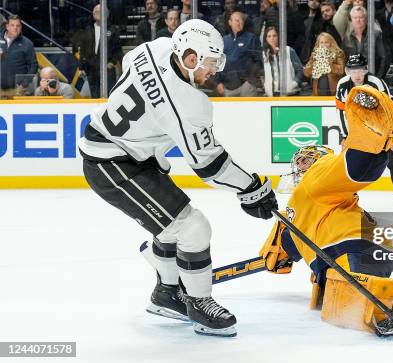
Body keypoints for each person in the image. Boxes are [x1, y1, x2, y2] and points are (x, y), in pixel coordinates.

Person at [78, 19, 278, 337]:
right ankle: (199, 304)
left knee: (172, 225)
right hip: (111, 164)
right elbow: (209, 165)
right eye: (210, 62)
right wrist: (252, 187)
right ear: (190, 58)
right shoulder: (188, 103)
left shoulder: (153, 47)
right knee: (193, 228)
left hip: (124, 151)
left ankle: (166, 293)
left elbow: (130, 67)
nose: (214, 70)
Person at [259, 86, 393, 334]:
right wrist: (277, 256)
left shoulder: (320, 173)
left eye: (306, 160)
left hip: (353, 247)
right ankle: (384, 300)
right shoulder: (299, 205)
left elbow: (354, 169)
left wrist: (372, 142)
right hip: (366, 249)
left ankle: (387, 304)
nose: (300, 167)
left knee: (350, 299)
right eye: (298, 162)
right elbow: (281, 248)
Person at [336, 54, 393, 206]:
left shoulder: (376, 83)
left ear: (366, 70)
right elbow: (341, 111)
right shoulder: (342, 85)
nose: (356, 74)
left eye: (360, 70)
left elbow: (391, 111)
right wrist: (345, 135)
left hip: (379, 127)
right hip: (358, 129)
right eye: (352, 70)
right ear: (347, 71)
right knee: (348, 161)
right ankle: (348, 194)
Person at [71, 4, 123, 98]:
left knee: (109, 95)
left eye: (100, 11)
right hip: (91, 69)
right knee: (94, 96)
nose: (96, 13)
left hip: (107, 69)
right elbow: (82, 49)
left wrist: (112, 62)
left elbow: (118, 49)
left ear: (106, 14)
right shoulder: (87, 29)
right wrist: (81, 67)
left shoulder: (113, 30)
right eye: (95, 11)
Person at [215, 11, 262, 97]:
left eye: (241, 21)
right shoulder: (224, 40)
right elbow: (218, 63)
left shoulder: (251, 38)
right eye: (236, 20)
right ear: (230, 22)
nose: (239, 23)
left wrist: (250, 81)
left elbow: (258, 61)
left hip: (246, 86)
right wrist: (218, 82)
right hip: (227, 87)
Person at [341, 6, 389, 80]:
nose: (358, 20)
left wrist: (378, 78)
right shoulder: (347, 38)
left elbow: (384, 58)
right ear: (351, 20)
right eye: (355, 18)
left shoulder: (375, 34)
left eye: (361, 17)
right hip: (354, 79)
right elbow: (344, 61)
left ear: (366, 19)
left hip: (373, 76)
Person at [0, 15, 38, 97]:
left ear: (21, 27)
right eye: (12, 25)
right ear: (7, 26)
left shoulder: (27, 44)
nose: (15, 28)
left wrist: (24, 84)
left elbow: (33, 66)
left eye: (18, 25)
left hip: (17, 91)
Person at [261, 26, 303, 96]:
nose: (272, 38)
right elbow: (262, 74)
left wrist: (294, 83)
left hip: (290, 94)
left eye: (274, 36)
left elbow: (300, 70)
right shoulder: (264, 54)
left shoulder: (289, 51)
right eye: (269, 36)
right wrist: (265, 86)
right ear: (266, 39)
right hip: (272, 94)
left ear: (279, 37)